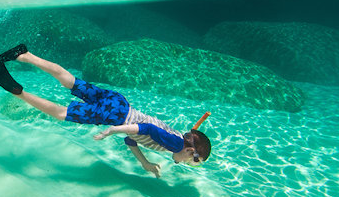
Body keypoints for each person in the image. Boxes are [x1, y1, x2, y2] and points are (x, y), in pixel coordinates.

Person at [11, 51, 211, 177]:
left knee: (71, 82)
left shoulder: (176, 137)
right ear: (189, 151)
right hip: (116, 116)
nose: (189, 164)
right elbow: (146, 128)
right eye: (195, 161)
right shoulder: (174, 144)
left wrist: (145, 163)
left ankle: (24, 55)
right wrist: (114, 130)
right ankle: (19, 93)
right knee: (63, 113)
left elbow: (133, 139)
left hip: (119, 102)